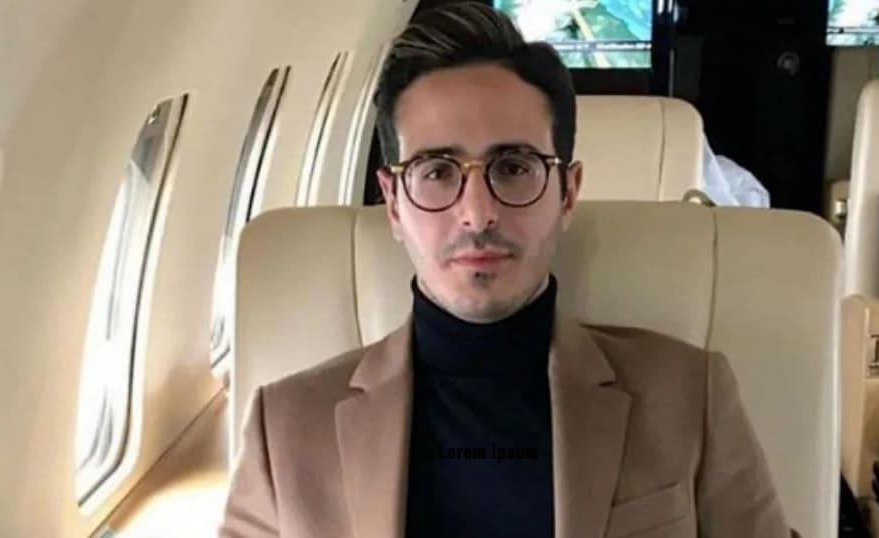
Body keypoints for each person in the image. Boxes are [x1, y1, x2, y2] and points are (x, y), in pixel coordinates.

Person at [220, 3, 792, 537]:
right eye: (437, 170)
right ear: (394, 203)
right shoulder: (285, 429)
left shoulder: (689, 396)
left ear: (568, 193)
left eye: (513, 167)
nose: (477, 213)